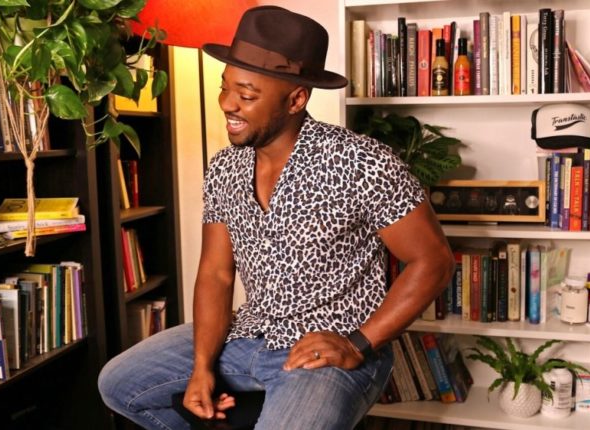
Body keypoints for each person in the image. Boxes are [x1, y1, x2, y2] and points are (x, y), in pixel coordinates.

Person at [98, 6, 455, 429]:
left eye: (247, 95)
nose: (227, 103)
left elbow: (433, 261)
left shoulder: (361, 161)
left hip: (327, 349)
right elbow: (216, 274)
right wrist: (202, 367)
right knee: (118, 383)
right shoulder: (225, 167)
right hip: (247, 335)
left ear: (296, 99)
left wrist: (359, 343)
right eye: (225, 87)